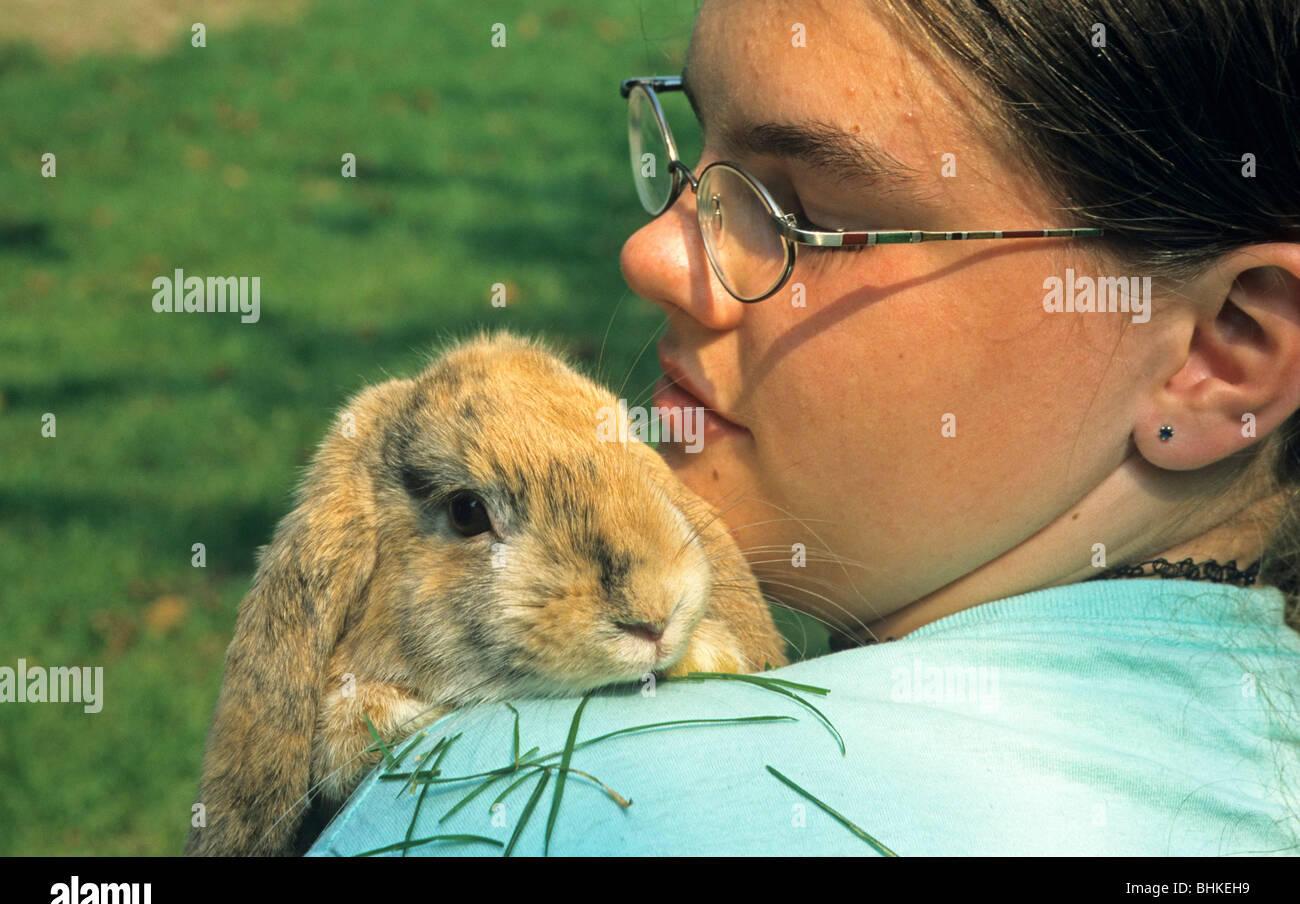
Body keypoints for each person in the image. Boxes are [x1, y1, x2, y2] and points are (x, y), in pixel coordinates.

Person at [308, 0, 1300, 855]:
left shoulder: (540, 800)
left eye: (805, 211)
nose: (652, 252)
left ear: (1216, 353)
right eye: (696, 142)